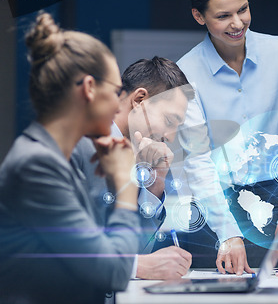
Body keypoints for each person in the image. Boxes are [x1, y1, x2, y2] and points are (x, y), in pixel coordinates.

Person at [0, 13, 140, 304]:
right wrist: (127, 185)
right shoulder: (36, 165)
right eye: (116, 92)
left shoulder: (55, 159)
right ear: (89, 88)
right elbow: (113, 271)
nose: (118, 104)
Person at [176, 0, 278, 270]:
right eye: (223, 16)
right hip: (215, 204)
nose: (237, 23)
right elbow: (197, 159)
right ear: (199, 16)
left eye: (243, 9)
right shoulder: (186, 72)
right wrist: (228, 232)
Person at [72, 57, 194, 280]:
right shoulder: (77, 144)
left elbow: (134, 249)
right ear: (139, 99)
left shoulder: (138, 161)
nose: (171, 136)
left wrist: (156, 184)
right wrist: (137, 267)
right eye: (169, 120)